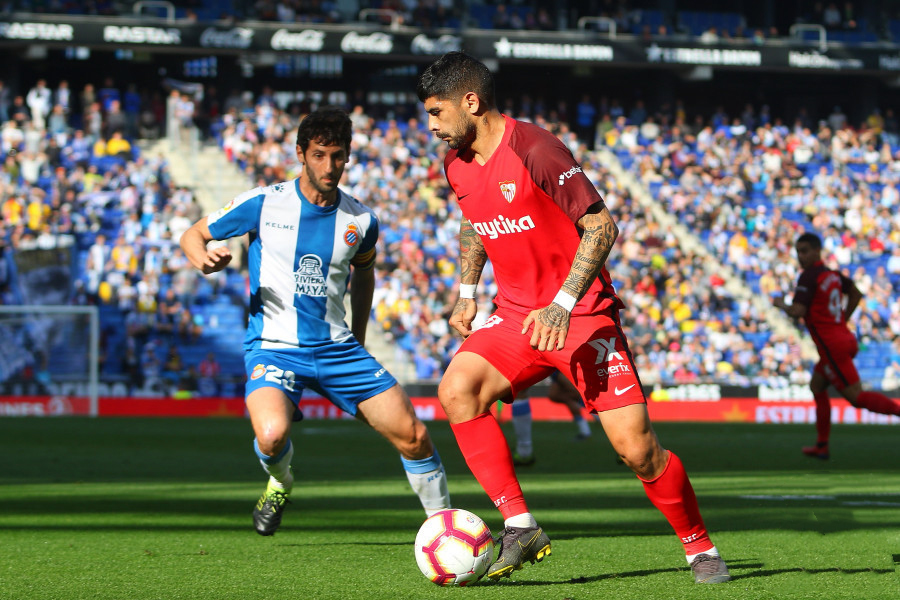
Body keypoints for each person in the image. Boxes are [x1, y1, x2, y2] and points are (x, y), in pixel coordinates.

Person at [416, 52, 730, 584]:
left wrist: (562, 304)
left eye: (436, 112)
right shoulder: (456, 163)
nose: (432, 126)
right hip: (514, 315)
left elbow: (602, 227)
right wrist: (467, 292)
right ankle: (520, 524)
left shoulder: (535, 148)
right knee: (457, 391)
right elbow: (474, 223)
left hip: (580, 315)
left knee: (638, 451)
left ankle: (699, 547)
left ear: (471, 102)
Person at [180, 107, 450, 536]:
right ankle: (280, 481)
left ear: (348, 156)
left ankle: (444, 530)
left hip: (338, 348)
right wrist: (203, 258)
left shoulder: (361, 220)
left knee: (414, 435)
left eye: (338, 156)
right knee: (270, 435)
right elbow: (193, 234)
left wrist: (359, 338)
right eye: (320, 155)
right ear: (301, 153)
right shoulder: (264, 202)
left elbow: (365, 275)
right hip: (274, 346)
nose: (330, 166)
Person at [773, 232, 900, 459]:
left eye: (805, 251)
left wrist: (781, 303)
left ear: (816, 251)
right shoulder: (830, 275)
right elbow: (855, 293)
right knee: (817, 385)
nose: (800, 256)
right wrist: (843, 319)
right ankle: (822, 445)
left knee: (855, 397)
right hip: (843, 338)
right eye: (798, 252)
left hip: (832, 346)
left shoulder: (809, 277)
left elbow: (797, 312)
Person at [507, 372, 599, 467]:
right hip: (553, 366)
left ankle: (524, 453)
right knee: (555, 395)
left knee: (574, 390)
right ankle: (587, 428)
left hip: (555, 360)